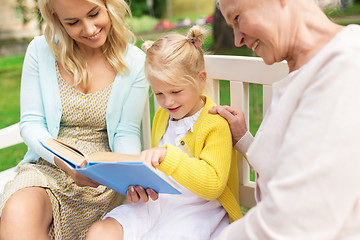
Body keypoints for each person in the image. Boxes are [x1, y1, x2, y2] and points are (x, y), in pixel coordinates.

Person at [208, 0, 360, 239]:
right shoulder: (307, 68)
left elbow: (293, 224)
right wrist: (245, 140)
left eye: (237, 18)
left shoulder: (345, 67)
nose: (237, 39)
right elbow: (291, 163)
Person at [0, 0, 152, 239]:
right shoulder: (40, 51)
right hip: (48, 168)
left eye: (94, 14)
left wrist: (129, 175)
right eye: (73, 22)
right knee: (19, 211)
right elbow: (31, 124)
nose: (89, 29)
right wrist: (67, 162)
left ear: (109, 5)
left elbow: (126, 131)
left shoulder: (134, 61)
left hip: (102, 179)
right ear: (57, 20)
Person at [86, 25, 243, 240]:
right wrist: (140, 182)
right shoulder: (163, 115)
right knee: (100, 232)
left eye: (175, 91)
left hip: (198, 211)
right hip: (158, 202)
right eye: (158, 93)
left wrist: (169, 157)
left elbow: (213, 186)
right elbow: (158, 169)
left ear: (200, 79)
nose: (167, 101)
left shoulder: (215, 123)